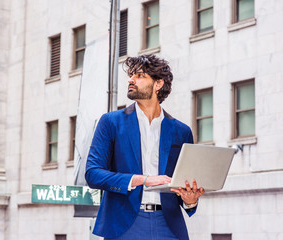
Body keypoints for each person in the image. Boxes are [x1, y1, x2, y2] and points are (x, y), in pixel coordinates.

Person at [85, 54, 205, 240]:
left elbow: (183, 182)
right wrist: (143, 180)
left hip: (169, 226)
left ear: (158, 84)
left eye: (139, 75)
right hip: (124, 225)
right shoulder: (111, 122)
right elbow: (93, 173)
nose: (131, 80)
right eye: (131, 75)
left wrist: (190, 200)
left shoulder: (181, 131)